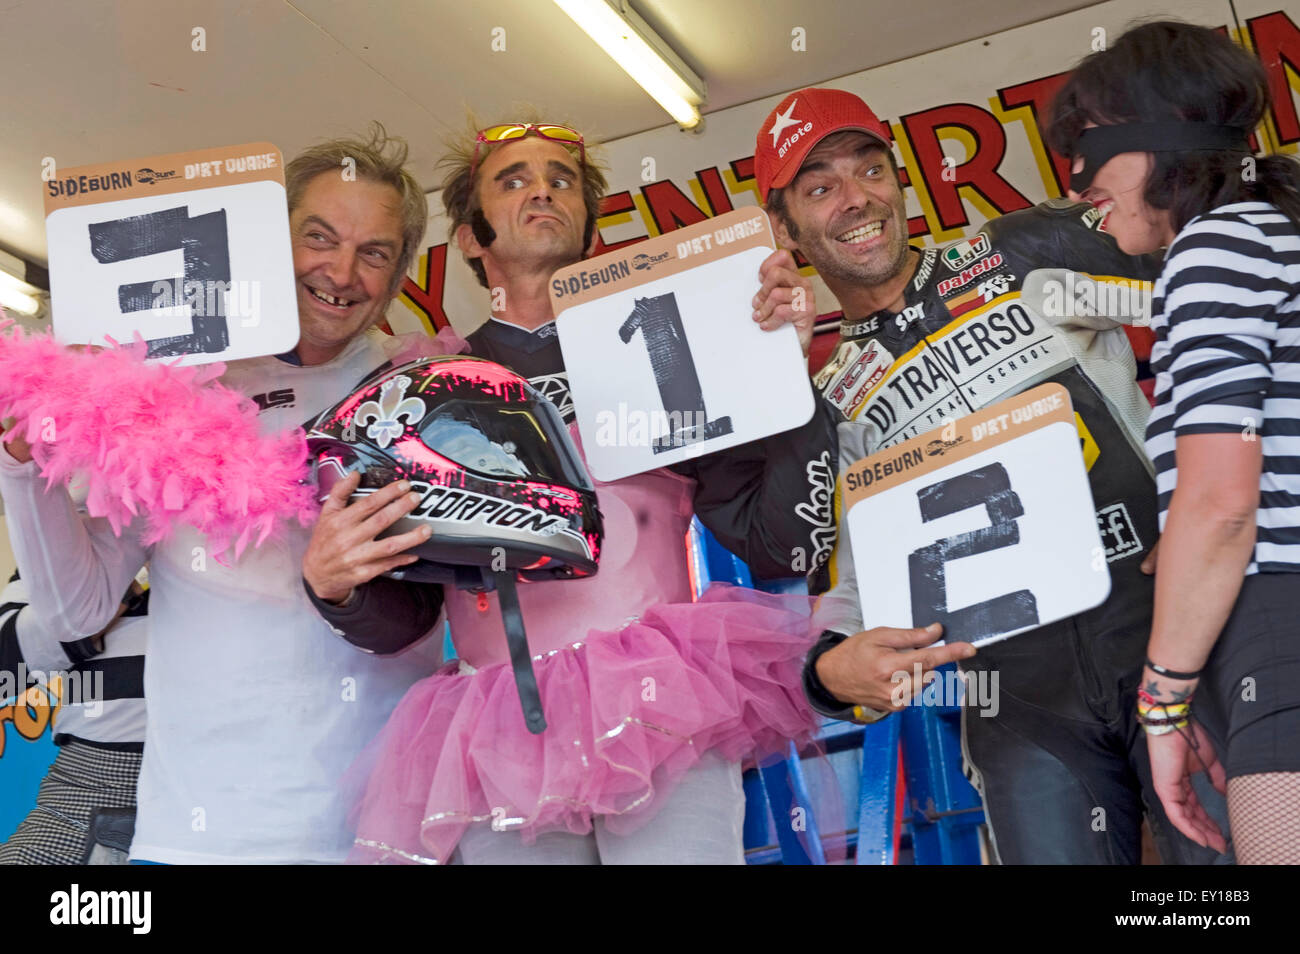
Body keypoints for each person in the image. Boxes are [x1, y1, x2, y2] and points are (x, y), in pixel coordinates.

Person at [304, 114, 843, 864]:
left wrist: (787, 378)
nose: (542, 192)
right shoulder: (419, 391)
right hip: (497, 723)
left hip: (659, 701)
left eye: (562, 180)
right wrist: (336, 590)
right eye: (513, 180)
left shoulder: (669, 343)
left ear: (591, 224)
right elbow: (407, 615)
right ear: (469, 236)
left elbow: (783, 545)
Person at [757, 86, 1221, 864]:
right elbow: (850, 587)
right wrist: (832, 671)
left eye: (870, 170)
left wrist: (1207, 494)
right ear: (785, 226)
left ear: (900, 178)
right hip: (1014, 699)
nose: (855, 198)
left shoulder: (1022, 254)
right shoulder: (828, 398)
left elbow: (1212, 286)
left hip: (1166, 630)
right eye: (820, 186)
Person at [0, 124, 455, 863]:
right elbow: (77, 609)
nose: (341, 272)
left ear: (401, 270)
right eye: (320, 238)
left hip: (382, 818)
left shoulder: (422, 396)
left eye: (373, 252)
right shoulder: (174, 386)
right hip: (201, 826)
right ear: (270, 245)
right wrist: (20, 463)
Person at [1047, 20, 1300, 865]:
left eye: (1087, 150)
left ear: (1159, 137)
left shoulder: (1217, 247)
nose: (1078, 182)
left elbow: (1222, 504)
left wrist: (1162, 707)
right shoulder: (1275, 234)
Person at [0, 568, 146, 864]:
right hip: (87, 801)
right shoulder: (71, 539)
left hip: (232, 799)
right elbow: (6, 668)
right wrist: (114, 580)